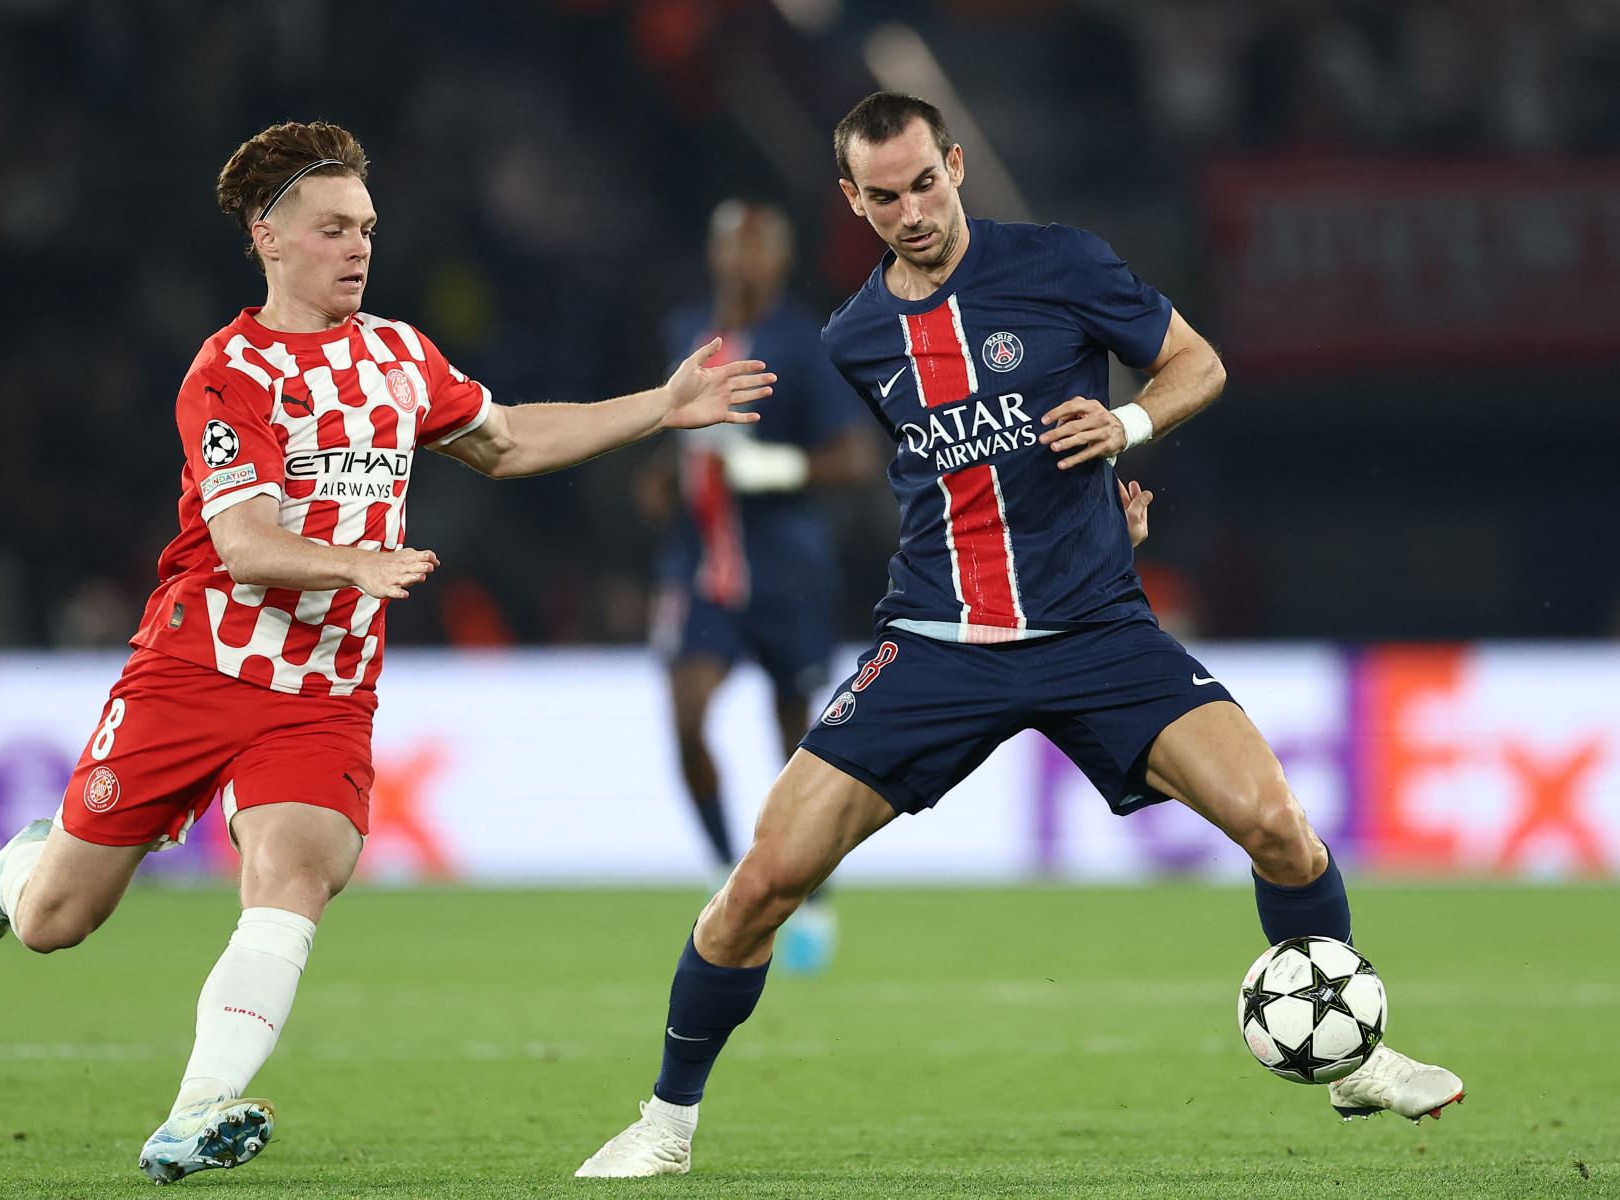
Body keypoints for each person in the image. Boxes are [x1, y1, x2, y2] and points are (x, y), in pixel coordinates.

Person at [574, 92, 1462, 1179]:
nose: (913, 210)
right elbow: (942, 477)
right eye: (885, 195)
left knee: (1280, 825)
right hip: (937, 641)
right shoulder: (858, 336)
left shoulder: (1063, 263)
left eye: (926, 183)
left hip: (1095, 629)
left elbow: (1200, 364)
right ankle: (666, 1121)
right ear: (853, 201)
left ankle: (1354, 1052)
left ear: (954, 164)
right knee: (761, 882)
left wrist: (1127, 425)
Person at [0, 119, 774, 1185]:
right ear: (269, 236)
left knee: (299, 868)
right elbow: (242, 542)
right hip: (196, 673)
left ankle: (195, 1114)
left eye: (368, 228)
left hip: (323, 692)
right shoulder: (227, 372)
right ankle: (27, 860)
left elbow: (508, 438)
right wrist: (350, 567)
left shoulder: (396, 354)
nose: (358, 247)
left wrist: (659, 409)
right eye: (334, 228)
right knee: (59, 920)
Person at [641, 199, 878, 971]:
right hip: (701, 568)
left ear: (779, 260)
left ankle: (811, 891)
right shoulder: (684, 335)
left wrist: (780, 469)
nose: (743, 261)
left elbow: (854, 458)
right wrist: (656, 479)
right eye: (731, 247)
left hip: (786, 571)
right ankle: (724, 871)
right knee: (685, 717)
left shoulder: (803, 346)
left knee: (796, 744)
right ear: (713, 255)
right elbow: (662, 431)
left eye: (758, 249)